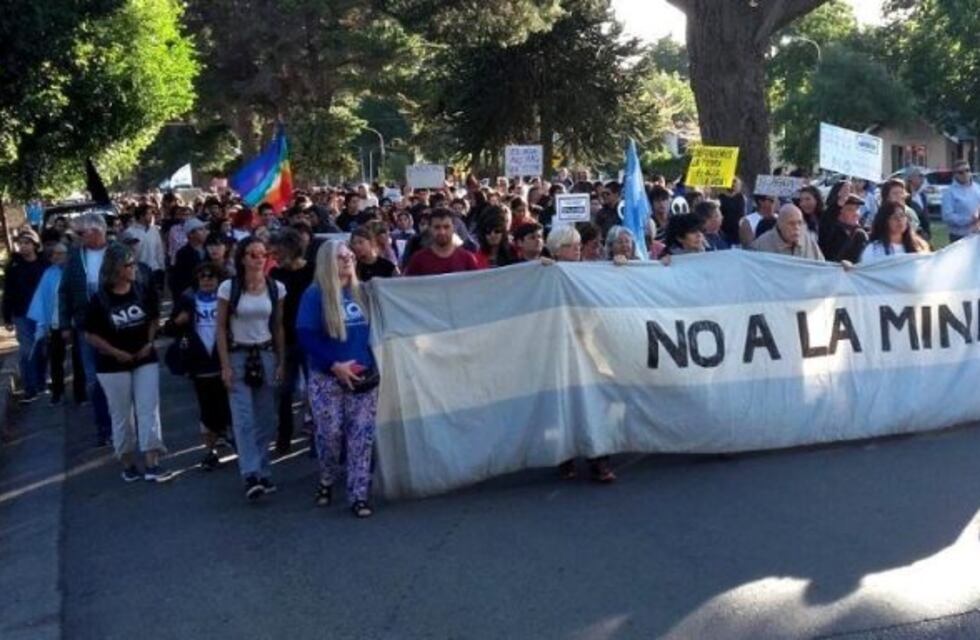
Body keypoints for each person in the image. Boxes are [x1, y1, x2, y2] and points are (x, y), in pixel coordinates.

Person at [296, 241, 378, 518]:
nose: (348, 261)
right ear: (327, 261)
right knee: (330, 434)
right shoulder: (315, 294)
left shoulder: (363, 292)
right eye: (341, 257)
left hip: (362, 376)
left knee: (361, 436)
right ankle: (327, 477)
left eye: (350, 256)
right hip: (327, 377)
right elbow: (305, 334)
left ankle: (359, 494)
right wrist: (334, 364)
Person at [84, 243, 171, 482]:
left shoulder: (143, 290)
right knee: (122, 415)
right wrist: (114, 351)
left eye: (133, 263)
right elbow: (90, 334)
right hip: (112, 365)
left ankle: (152, 462)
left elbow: (154, 318)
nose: (133, 268)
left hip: (145, 358)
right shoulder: (99, 299)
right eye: (128, 265)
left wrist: (149, 343)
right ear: (115, 268)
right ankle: (128, 463)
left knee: (148, 408)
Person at [216, 237, 286, 501]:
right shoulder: (228, 288)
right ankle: (251, 474)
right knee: (243, 418)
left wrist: (281, 361)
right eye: (253, 254)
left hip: (265, 353)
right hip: (238, 355)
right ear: (242, 258)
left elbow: (278, 325)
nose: (259, 259)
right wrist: (224, 365)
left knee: (266, 418)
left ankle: (263, 468)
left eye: (262, 254)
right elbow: (221, 328)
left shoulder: (276, 288)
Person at [546, 226, 616, 483]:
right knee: (562, 403)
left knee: (595, 400)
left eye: (577, 244)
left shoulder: (591, 270)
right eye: (569, 245)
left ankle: (599, 458)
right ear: (556, 249)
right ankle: (564, 457)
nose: (576, 248)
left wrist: (620, 265)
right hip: (559, 345)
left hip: (590, 344)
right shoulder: (545, 272)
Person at [170, 262, 233, 470]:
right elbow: (170, 328)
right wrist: (179, 321)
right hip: (199, 364)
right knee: (206, 409)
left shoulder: (226, 299)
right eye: (203, 277)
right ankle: (210, 450)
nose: (207, 280)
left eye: (211, 277)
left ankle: (228, 436)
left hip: (222, 361)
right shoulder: (188, 300)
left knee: (226, 405)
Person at [59, 214, 112, 443]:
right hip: (86, 325)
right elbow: (65, 291)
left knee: (118, 376)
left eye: (81, 234)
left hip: (115, 323)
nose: (78, 238)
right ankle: (104, 427)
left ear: (97, 231)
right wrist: (64, 323)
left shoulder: (116, 252)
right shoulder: (74, 257)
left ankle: (124, 423)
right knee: (94, 379)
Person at [268, 228, 315, 454]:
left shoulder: (313, 271)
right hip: (285, 340)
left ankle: (318, 434)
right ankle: (283, 435)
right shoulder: (276, 276)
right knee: (283, 391)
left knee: (315, 391)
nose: (274, 257)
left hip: (312, 340)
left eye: (278, 252)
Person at [4, 228, 49, 403]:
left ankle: (42, 382)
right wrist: (7, 316)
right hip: (21, 313)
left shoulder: (43, 265)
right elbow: (8, 292)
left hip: (41, 313)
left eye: (27, 243)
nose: (23, 247)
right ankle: (30, 388)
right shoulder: (14, 266)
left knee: (42, 349)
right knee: (27, 350)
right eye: (21, 244)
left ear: (35, 245)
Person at [27, 242, 68, 404]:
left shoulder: (74, 271)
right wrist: (42, 323)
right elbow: (41, 299)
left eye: (61, 253)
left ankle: (80, 393)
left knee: (78, 360)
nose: (57, 257)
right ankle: (57, 392)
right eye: (55, 254)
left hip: (72, 323)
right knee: (56, 360)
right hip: (55, 323)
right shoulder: (48, 274)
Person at [404, 208, 480, 276]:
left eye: (446, 227)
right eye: (437, 227)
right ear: (430, 229)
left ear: (453, 228)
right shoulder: (418, 259)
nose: (442, 232)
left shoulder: (467, 259)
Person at [860, 201, 931, 264]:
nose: (899, 220)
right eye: (894, 217)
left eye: (902, 216)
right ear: (884, 221)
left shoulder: (919, 246)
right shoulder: (873, 250)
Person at [751, 204, 825, 261]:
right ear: (780, 224)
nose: (796, 227)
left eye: (799, 223)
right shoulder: (761, 245)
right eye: (791, 223)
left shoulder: (809, 241)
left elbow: (821, 268)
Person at [127, 203, 166, 291]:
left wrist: (162, 267)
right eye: (148, 214)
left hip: (155, 269)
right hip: (139, 273)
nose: (151, 216)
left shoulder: (154, 230)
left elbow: (159, 250)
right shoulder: (130, 232)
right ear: (141, 216)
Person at [820, 194, 869, 263]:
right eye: (850, 210)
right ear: (838, 213)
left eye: (857, 209)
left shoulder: (862, 233)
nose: (856, 214)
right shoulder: (831, 234)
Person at [941, 160, 980, 242]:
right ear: (955, 175)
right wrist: (969, 219)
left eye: (967, 170)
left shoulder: (978, 188)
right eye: (961, 172)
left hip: (977, 235)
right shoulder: (949, 192)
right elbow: (948, 216)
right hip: (960, 237)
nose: (965, 174)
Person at [170, 217, 209, 297]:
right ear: (191, 234)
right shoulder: (183, 253)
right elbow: (179, 279)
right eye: (200, 229)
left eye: (205, 229)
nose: (205, 232)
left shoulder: (209, 249)